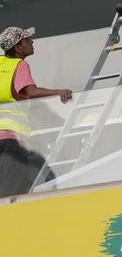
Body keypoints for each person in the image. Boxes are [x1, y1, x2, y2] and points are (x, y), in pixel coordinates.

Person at [0, 26, 72, 196]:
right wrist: (59, 92)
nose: (32, 42)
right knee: (12, 193)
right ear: (18, 48)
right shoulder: (20, 64)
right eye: (27, 40)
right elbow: (31, 92)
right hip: (10, 141)